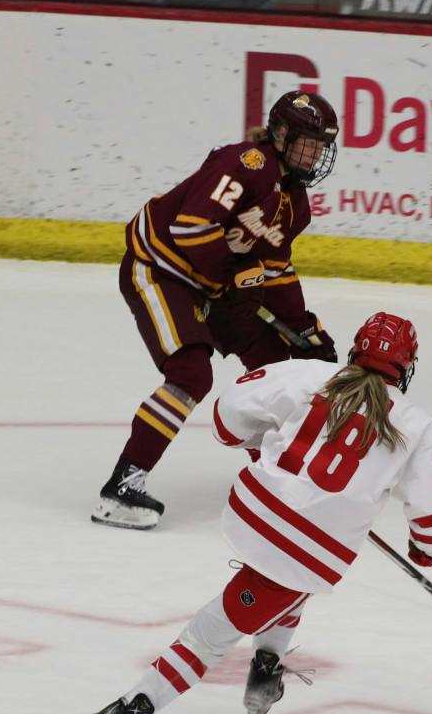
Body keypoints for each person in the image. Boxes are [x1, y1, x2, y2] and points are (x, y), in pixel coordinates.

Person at [74, 312, 432, 714]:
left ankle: (266, 665)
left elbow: (226, 417)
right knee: (211, 634)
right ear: (406, 367)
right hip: (309, 550)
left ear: (355, 351)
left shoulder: (310, 374)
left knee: (291, 579)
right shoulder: (418, 426)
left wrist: (264, 448)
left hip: (252, 510)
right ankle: (124, 712)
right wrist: (417, 546)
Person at [94, 91, 342, 530]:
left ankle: (275, 480)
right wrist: (238, 273)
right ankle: (121, 488)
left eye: (323, 145)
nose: (317, 153)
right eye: (309, 141)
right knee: (192, 374)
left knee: (274, 365)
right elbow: (190, 229)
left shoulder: (295, 205)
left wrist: (304, 328)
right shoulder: (246, 164)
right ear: (281, 134)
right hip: (161, 272)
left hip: (214, 285)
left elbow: (276, 272)